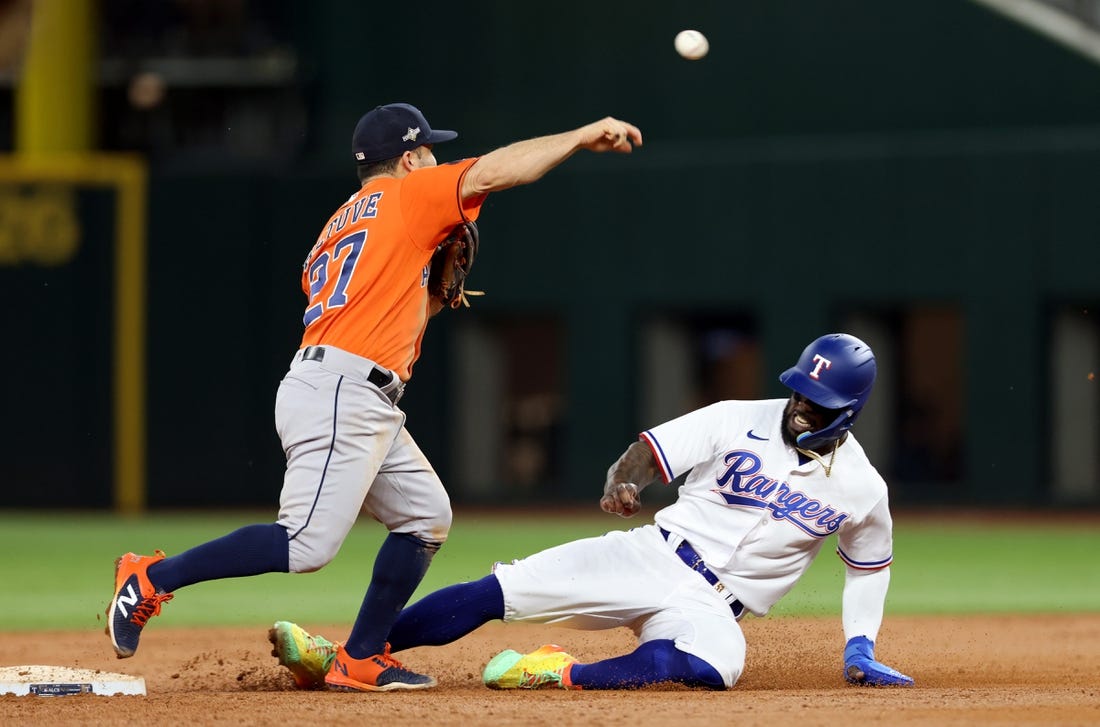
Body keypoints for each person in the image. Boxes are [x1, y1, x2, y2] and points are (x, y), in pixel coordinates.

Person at [106, 103, 644, 692]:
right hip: (342, 390)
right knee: (306, 543)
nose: (438, 159)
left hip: (350, 387)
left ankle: (360, 656)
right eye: (431, 150)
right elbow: (495, 171)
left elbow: (369, 304)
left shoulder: (337, 224)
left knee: (424, 518)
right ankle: (151, 578)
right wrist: (579, 135)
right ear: (410, 157)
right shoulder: (408, 196)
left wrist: (430, 295)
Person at [269, 332, 915, 691]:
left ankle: (556, 670)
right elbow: (650, 449)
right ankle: (346, 652)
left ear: (849, 414)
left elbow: (868, 565)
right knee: (499, 591)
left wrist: (860, 644)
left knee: (720, 664)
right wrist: (625, 476)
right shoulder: (737, 418)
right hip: (650, 554)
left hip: (713, 605)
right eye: (799, 391)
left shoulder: (861, 487)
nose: (801, 407)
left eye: (817, 403)